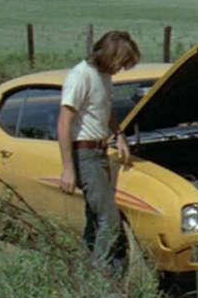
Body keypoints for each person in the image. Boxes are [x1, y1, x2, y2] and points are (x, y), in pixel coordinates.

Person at [57, 30, 140, 267]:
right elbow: (64, 123)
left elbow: (106, 108)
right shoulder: (80, 76)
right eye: (121, 63)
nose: (121, 69)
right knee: (109, 219)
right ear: (111, 56)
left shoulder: (103, 76)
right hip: (85, 153)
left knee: (95, 219)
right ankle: (100, 277)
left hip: (100, 151)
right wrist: (68, 169)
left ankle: (84, 270)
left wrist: (119, 135)